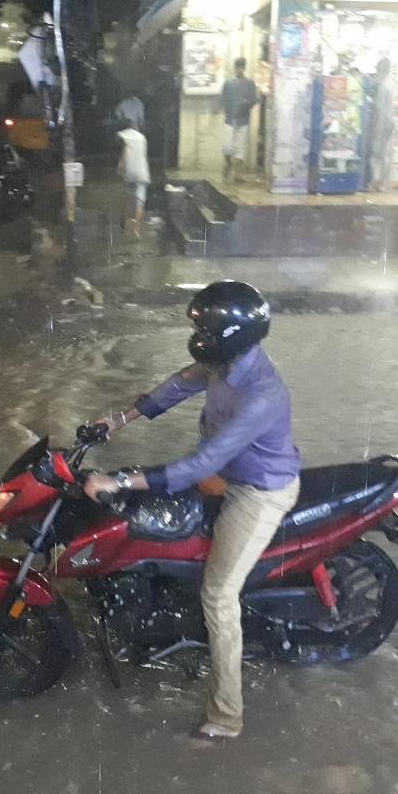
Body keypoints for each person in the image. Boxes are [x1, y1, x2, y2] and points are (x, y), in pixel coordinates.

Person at [85, 281, 301, 739]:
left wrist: (118, 479)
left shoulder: (261, 392)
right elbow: (181, 383)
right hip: (225, 472)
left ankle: (226, 717)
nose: (198, 336)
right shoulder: (224, 363)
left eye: (205, 328)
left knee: (218, 595)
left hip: (257, 492)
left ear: (229, 333)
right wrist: (120, 420)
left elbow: (199, 466)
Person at [218, 58, 258, 183]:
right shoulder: (228, 83)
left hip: (243, 119)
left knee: (240, 148)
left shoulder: (250, 83)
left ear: (244, 68)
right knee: (227, 147)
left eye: (240, 67)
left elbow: (254, 99)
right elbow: (223, 99)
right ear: (234, 68)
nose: (238, 70)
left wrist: (247, 103)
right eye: (237, 67)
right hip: (230, 119)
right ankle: (228, 163)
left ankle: (238, 174)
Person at [366, 57, 398, 192]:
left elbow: (379, 106)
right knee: (380, 153)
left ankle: (378, 182)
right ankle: (379, 182)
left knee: (379, 153)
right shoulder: (387, 83)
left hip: (382, 122)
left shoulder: (385, 85)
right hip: (384, 121)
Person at [115, 119, 150, 241]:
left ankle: (126, 223)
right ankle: (136, 228)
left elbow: (123, 152)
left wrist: (120, 167)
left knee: (128, 199)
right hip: (142, 173)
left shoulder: (123, 136)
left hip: (129, 173)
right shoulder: (142, 138)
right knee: (139, 202)